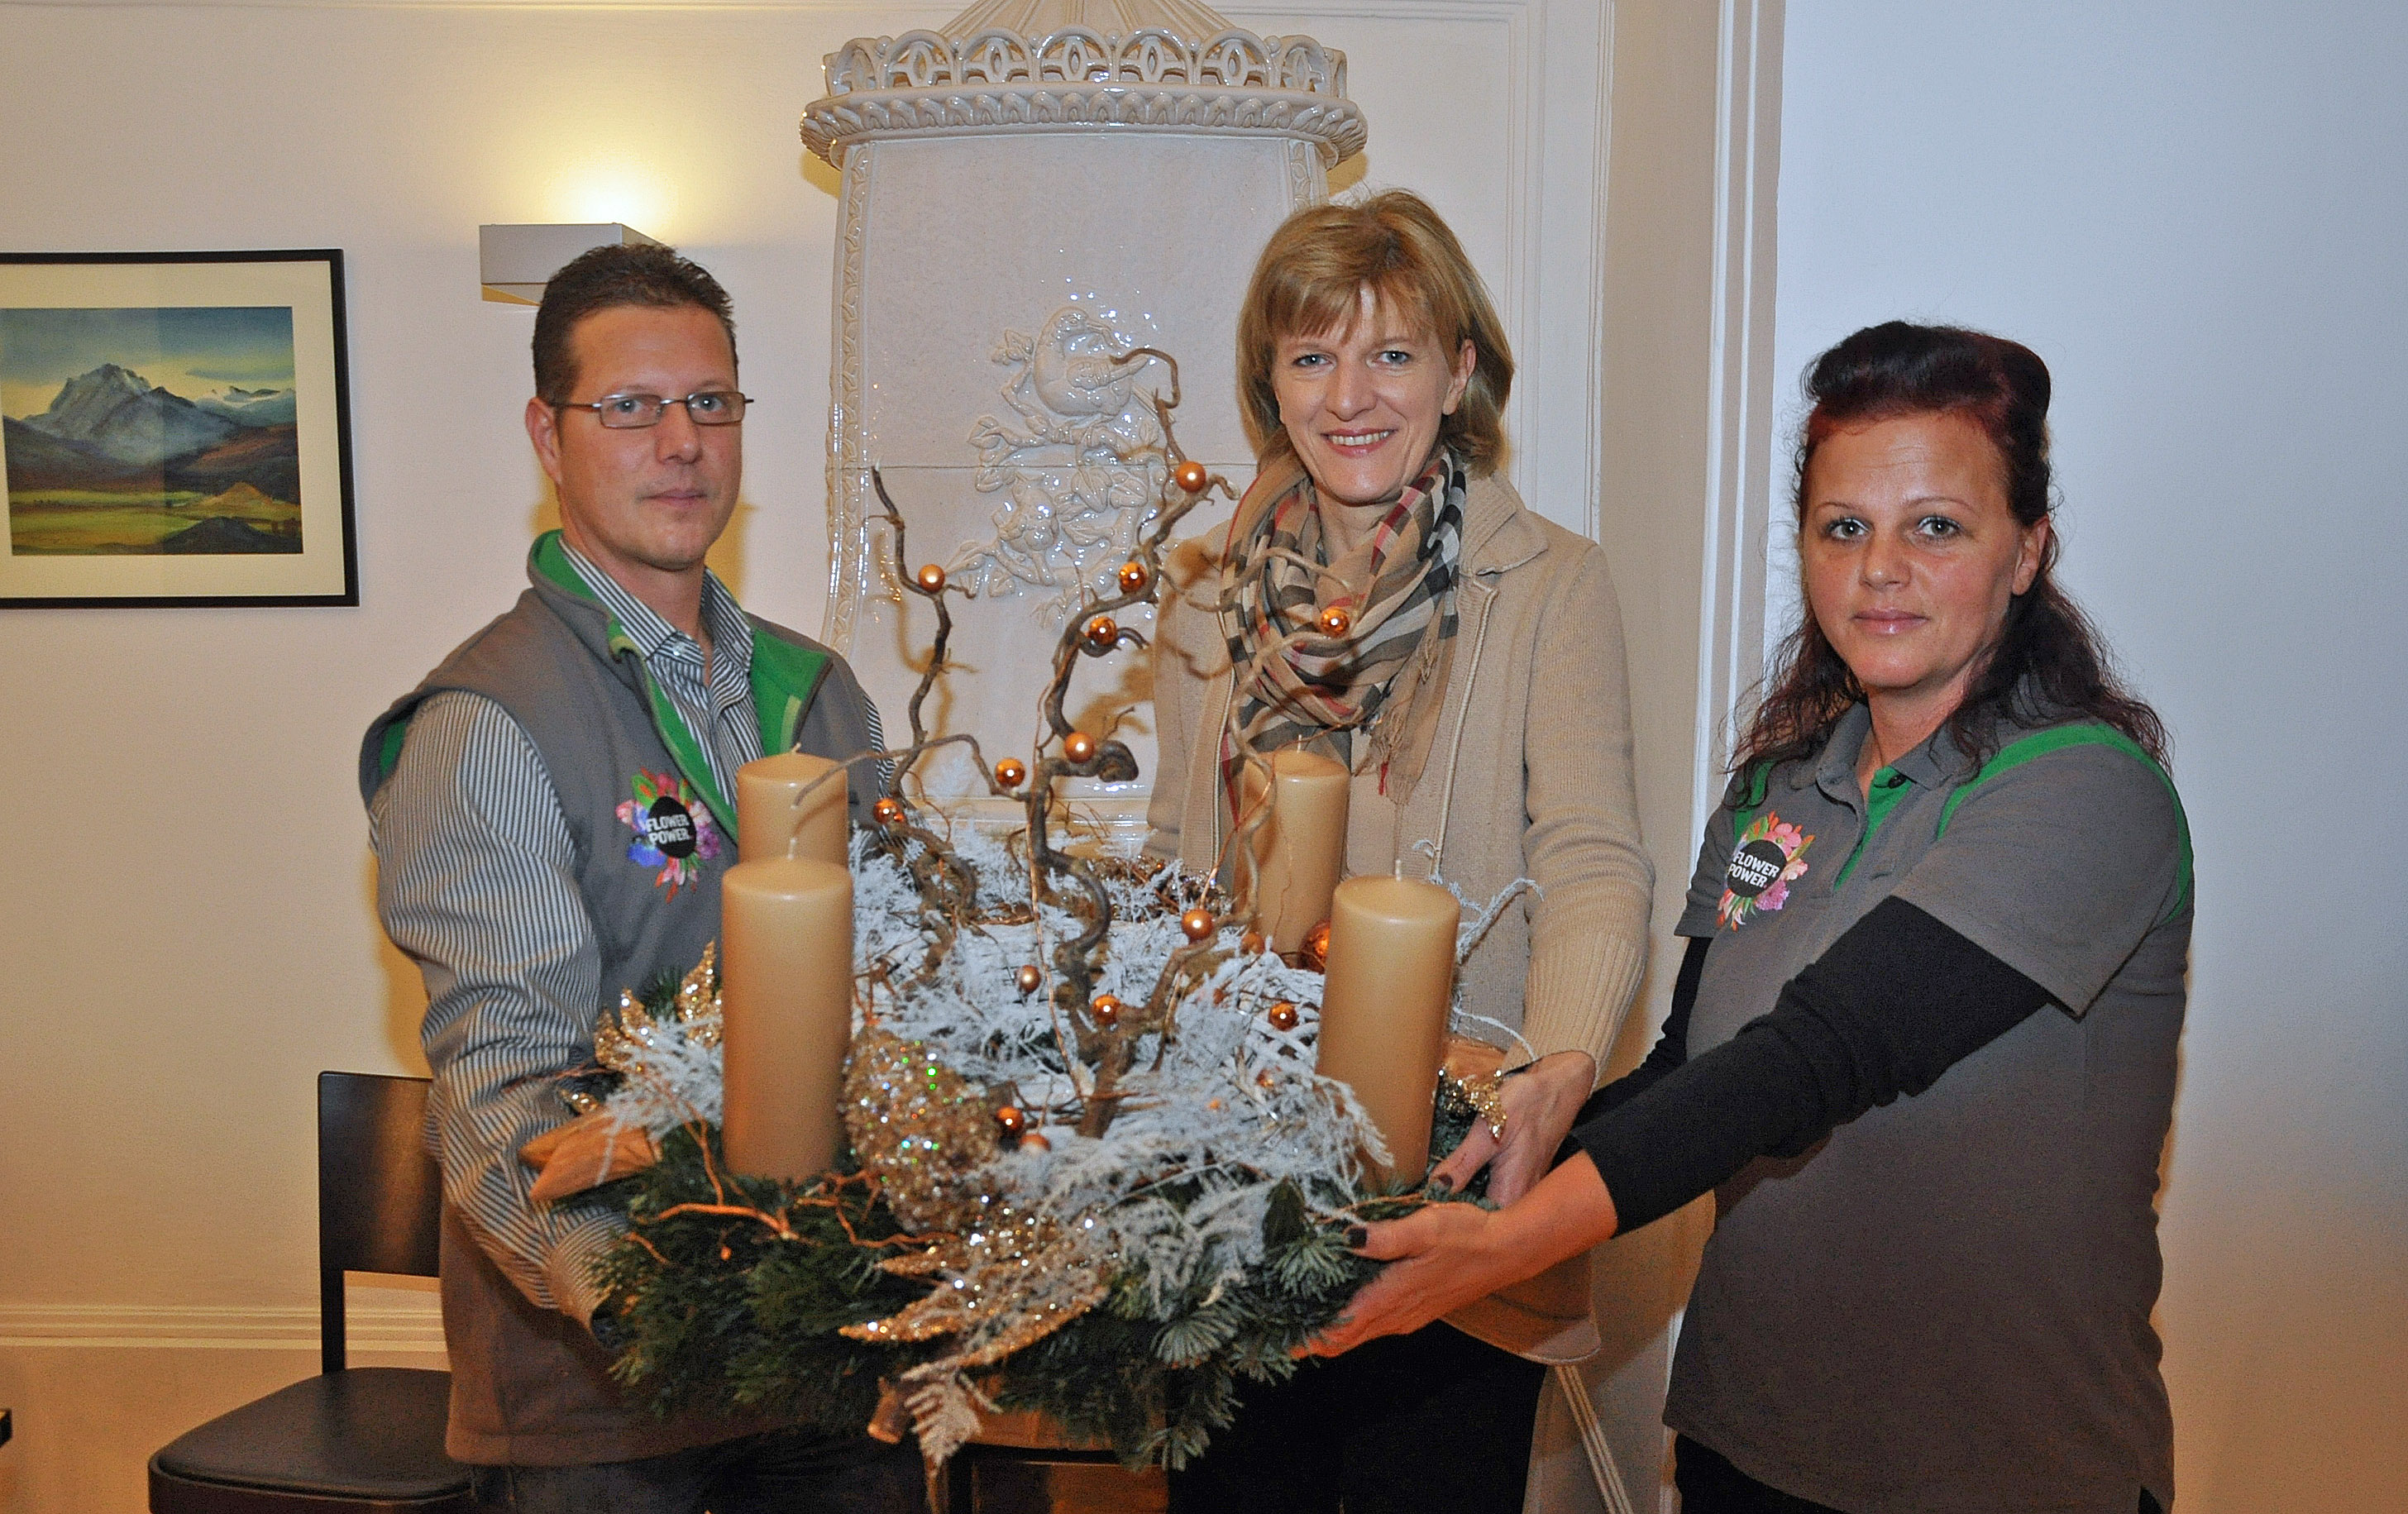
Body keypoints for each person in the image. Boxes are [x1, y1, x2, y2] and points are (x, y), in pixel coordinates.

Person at [1321, 322, 2191, 1514]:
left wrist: (1508, 1250)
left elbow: (1817, 1057)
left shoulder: (2085, 790)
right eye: (1845, 528)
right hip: (1747, 1450)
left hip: (2003, 1473)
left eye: (1937, 527)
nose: (1881, 569)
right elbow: (1693, 1071)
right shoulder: (1777, 788)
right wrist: (1475, 1164)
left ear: (2027, 550)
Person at [359, 243, 918, 1511]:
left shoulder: (822, 692)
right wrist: (653, 1308)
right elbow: (509, 1089)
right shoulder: (487, 721)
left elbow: (906, 994)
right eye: (630, 406)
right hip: (603, 1406)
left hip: (837, 1365)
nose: (681, 442)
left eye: (710, 402)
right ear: (547, 438)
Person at [1145, 191, 1654, 1513]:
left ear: (1459, 369)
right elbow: (1170, 867)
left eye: (1392, 353)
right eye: (1313, 356)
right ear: (1270, 383)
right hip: (1232, 1177)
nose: (1351, 396)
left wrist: (1557, 1069)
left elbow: (1593, 859)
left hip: (1451, 1171)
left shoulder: (1550, 585)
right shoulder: (1202, 597)